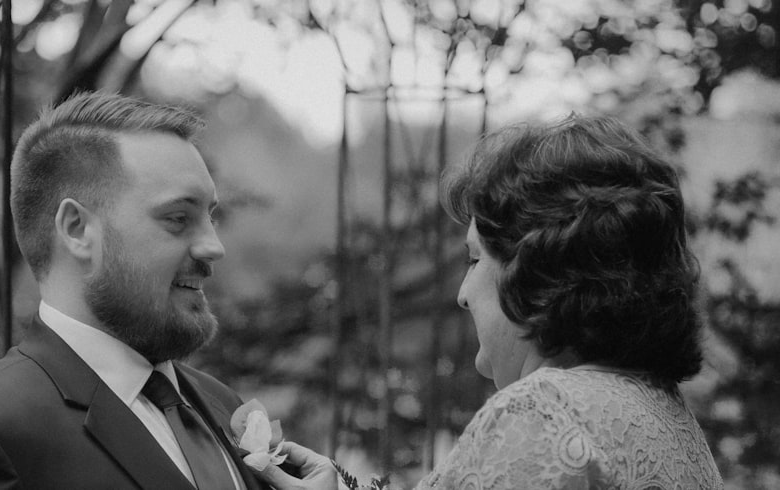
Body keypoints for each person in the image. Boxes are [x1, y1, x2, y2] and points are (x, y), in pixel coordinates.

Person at [254, 114, 724, 489]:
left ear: (536, 270)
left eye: (475, 260)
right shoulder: (672, 423)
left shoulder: (544, 412)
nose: (462, 294)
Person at [0, 92, 269, 489]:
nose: (214, 246)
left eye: (209, 217)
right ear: (76, 229)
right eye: (178, 218)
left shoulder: (221, 404)